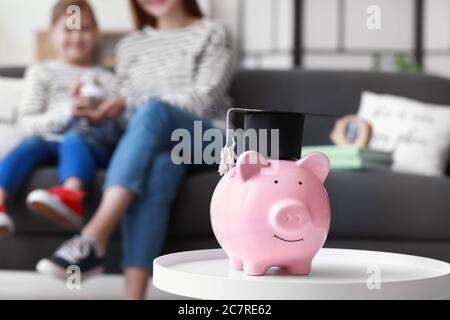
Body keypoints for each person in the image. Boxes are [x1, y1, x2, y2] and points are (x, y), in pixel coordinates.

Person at [37, 0, 234, 299]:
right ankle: (133, 297)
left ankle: (92, 237)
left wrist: (133, 104)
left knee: (154, 111)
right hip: (163, 148)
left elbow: (202, 101)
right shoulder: (131, 45)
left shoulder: (213, 32)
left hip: (208, 141)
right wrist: (104, 113)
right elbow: (127, 116)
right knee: (160, 166)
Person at [0, 0, 121, 236]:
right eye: (68, 29)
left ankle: (70, 197)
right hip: (46, 141)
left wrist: (100, 118)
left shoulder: (108, 79)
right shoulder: (41, 72)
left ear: (95, 34)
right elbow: (27, 124)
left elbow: (117, 134)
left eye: (84, 29)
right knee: (29, 144)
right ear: (52, 35)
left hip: (90, 145)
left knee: (74, 138)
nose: (76, 37)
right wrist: (68, 112)